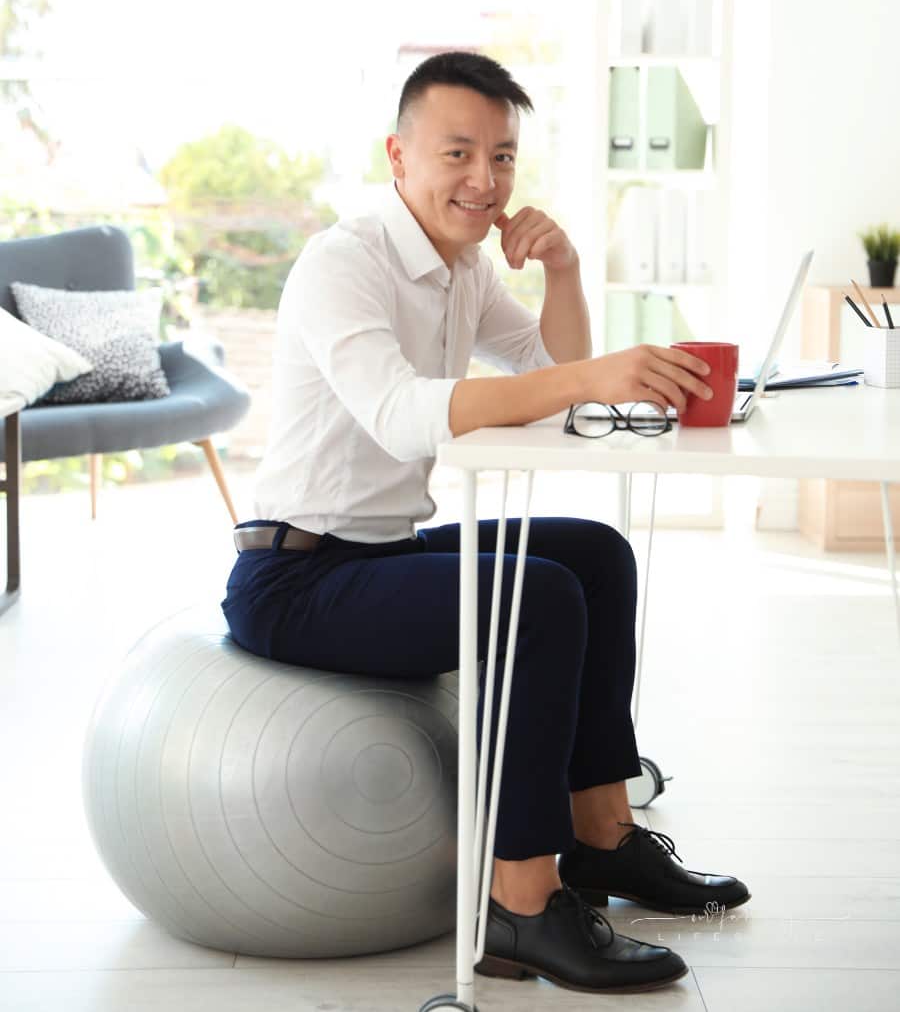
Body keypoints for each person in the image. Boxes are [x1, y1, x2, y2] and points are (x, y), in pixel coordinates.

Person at [221, 50, 750, 996]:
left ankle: (604, 840)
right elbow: (401, 410)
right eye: (458, 153)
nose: (484, 179)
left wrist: (565, 267)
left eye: (503, 157)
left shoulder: (462, 270)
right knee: (535, 598)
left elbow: (551, 382)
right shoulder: (345, 262)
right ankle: (521, 904)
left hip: (377, 550)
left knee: (591, 554)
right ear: (398, 154)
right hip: (295, 576)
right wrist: (587, 377)